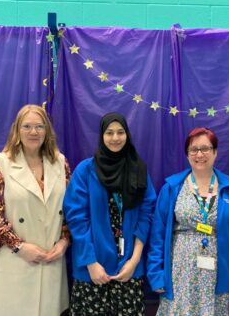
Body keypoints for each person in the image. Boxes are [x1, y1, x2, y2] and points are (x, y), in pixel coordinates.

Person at [147, 127, 229, 315]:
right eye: (193, 149)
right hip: (180, 276)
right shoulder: (172, 188)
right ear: (187, 154)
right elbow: (158, 234)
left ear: (215, 152)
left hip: (223, 275)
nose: (199, 154)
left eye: (205, 148)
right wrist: (156, 274)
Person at [0, 104, 70, 316]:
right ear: (17, 130)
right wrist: (19, 246)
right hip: (14, 264)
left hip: (51, 263)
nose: (33, 132)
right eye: (27, 126)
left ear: (47, 130)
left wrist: (65, 241)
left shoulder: (60, 163)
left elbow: (71, 211)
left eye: (39, 126)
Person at [63, 112, 156, 315]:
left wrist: (134, 261)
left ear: (127, 135)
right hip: (93, 271)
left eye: (120, 132)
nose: (115, 138)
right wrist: (91, 263)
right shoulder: (85, 170)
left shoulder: (138, 170)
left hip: (128, 270)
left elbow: (146, 214)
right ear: (101, 136)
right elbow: (77, 219)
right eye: (109, 132)